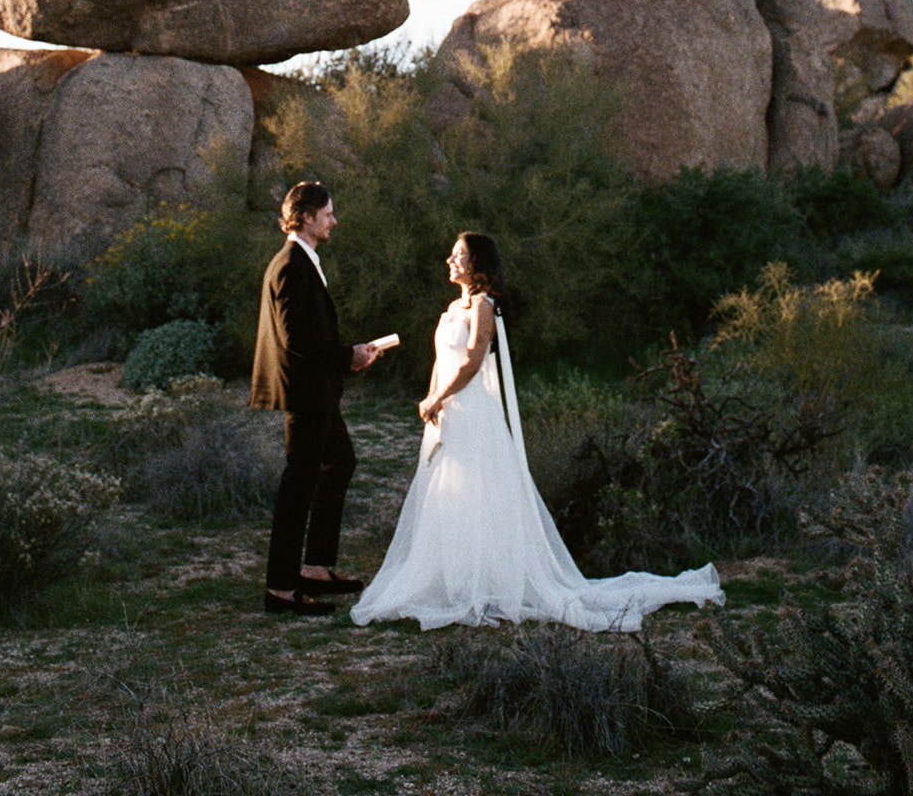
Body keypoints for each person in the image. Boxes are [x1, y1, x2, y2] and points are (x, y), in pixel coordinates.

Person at [351, 232, 725, 631]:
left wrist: (439, 397)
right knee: (449, 492)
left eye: (458, 255)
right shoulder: (451, 307)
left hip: (473, 411)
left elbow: (472, 362)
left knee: (482, 494)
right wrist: (432, 398)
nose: (450, 260)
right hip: (449, 412)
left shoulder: (482, 306)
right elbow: (443, 360)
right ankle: (454, 578)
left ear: (477, 264)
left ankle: (488, 581)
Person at [250, 181, 382, 616]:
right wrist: (349, 356)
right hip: (306, 393)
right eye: (328, 214)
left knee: (339, 463)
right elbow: (296, 340)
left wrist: (348, 357)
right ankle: (281, 590)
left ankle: (314, 569)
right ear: (306, 216)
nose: (334, 221)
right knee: (298, 486)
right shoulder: (291, 264)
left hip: (317, 391)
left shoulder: (302, 261)